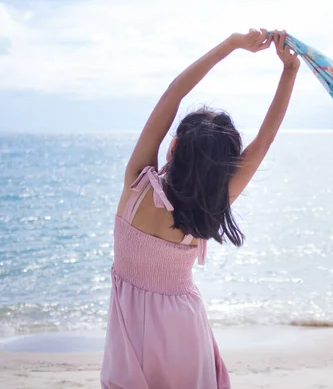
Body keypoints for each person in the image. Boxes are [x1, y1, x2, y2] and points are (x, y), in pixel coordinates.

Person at [100, 29, 300, 388]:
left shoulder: (137, 187)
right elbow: (264, 140)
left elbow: (173, 95)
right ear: (223, 169)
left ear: (173, 146)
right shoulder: (210, 206)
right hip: (184, 330)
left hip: (131, 338)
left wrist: (231, 45)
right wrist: (289, 71)